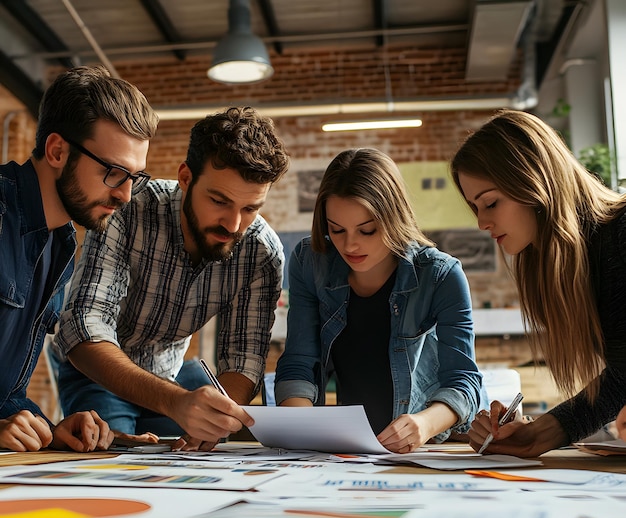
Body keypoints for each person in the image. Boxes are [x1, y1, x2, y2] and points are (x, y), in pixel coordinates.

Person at [53, 106, 290, 451]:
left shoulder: (261, 252)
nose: (234, 224)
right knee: (112, 458)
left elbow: (244, 359)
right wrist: (174, 402)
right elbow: (84, 326)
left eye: (251, 208)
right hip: (98, 373)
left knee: (208, 451)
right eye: (219, 200)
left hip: (171, 372)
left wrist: (217, 419)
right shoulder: (128, 208)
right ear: (185, 178)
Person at [274, 148, 483, 453]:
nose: (350, 244)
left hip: (426, 446)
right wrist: (304, 428)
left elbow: (464, 381)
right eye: (336, 230)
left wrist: (424, 424)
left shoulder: (441, 275)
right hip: (348, 449)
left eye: (367, 230)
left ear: (394, 216)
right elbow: (299, 362)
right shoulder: (311, 262)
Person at [0, 65, 159, 453]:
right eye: (113, 172)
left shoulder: (62, 244)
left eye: (135, 178)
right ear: (57, 150)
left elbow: (6, 396)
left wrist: (51, 430)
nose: (125, 195)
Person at [451, 109, 626, 457]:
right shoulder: (558, 268)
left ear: (534, 182)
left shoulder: (620, 236)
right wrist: (539, 433)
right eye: (476, 208)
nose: (482, 223)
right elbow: (621, 379)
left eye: (490, 203)